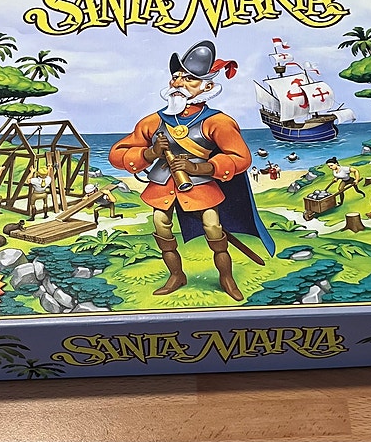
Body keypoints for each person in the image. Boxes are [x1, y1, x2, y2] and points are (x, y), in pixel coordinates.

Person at [109, 40, 274, 301]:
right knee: (161, 226)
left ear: (206, 87)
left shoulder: (218, 122)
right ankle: (177, 276)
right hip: (163, 183)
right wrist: (150, 153)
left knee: (213, 227)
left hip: (200, 184)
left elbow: (240, 158)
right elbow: (118, 153)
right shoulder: (154, 121)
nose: (178, 83)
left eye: (189, 79)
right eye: (176, 77)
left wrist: (199, 167)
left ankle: (227, 278)